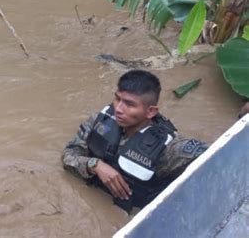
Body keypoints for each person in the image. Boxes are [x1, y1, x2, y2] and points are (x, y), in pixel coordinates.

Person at [62, 70, 208, 213]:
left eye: (129, 104)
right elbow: (68, 155)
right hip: (94, 203)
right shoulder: (102, 120)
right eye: (117, 99)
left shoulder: (169, 147)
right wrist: (94, 165)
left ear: (151, 111)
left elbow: (216, 156)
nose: (118, 109)